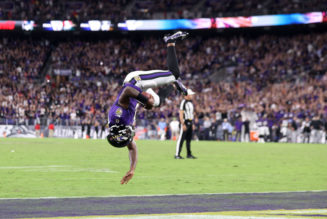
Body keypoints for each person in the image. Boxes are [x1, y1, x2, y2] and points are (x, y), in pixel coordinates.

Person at [106, 31, 190, 184]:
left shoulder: (117, 116)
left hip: (135, 82)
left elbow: (127, 91)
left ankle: (170, 42)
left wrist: (145, 101)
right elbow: (131, 148)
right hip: (137, 95)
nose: (131, 137)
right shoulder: (120, 129)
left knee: (174, 73)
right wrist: (132, 169)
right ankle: (173, 84)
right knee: (157, 101)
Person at [175, 89, 196, 159]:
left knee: (189, 139)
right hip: (185, 122)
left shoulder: (190, 102)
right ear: (187, 95)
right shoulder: (183, 102)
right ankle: (177, 154)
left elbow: (191, 114)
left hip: (190, 122)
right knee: (181, 139)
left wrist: (192, 123)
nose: (192, 95)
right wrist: (183, 124)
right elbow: (181, 113)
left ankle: (189, 154)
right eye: (191, 94)